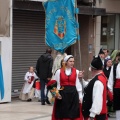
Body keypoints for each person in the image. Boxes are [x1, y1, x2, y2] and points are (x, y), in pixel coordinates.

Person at [52, 55, 83, 120]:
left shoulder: (76, 71)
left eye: (73, 61)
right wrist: (56, 94)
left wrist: (80, 96)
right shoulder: (58, 71)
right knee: (62, 114)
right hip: (62, 95)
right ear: (66, 62)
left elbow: (78, 85)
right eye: (70, 61)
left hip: (73, 95)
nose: (72, 63)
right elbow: (54, 84)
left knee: (73, 114)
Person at [79, 55, 107, 120]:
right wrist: (81, 80)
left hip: (95, 117)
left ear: (93, 69)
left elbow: (97, 99)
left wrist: (92, 116)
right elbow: (89, 86)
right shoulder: (99, 78)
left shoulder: (98, 81)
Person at [108, 51, 120, 120]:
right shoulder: (115, 66)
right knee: (118, 106)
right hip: (117, 88)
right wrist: (111, 91)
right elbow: (111, 78)